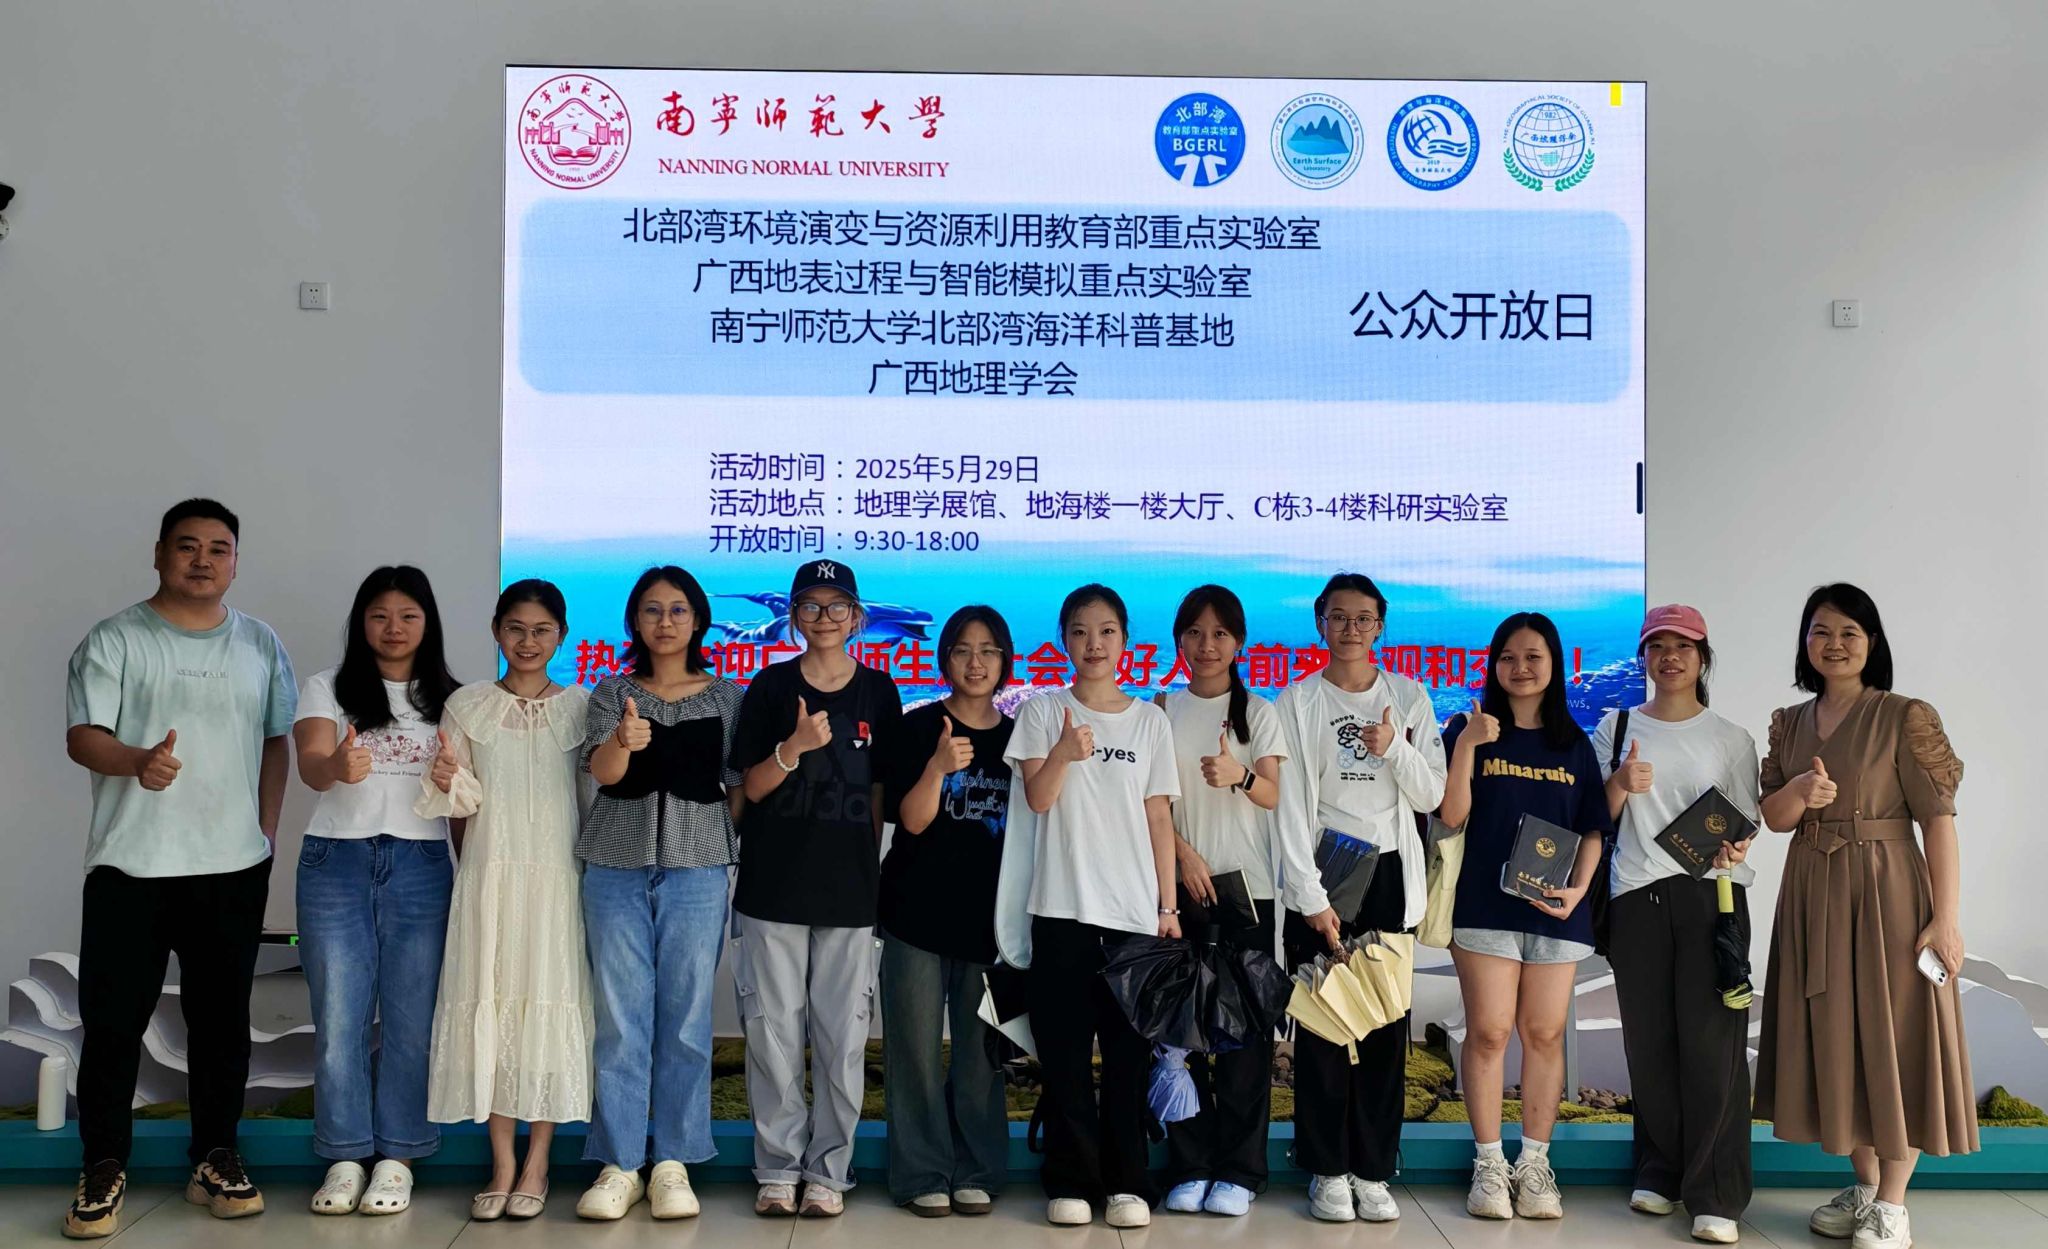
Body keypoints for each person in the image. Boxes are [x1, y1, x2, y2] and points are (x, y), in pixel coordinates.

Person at [60, 498, 296, 1239]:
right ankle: (102, 1166)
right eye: (187, 545)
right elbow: (83, 737)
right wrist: (137, 760)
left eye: (218, 548)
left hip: (231, 866)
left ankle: (214, 1158)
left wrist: (264, 832)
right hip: (130, 863)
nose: (202, 559)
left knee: (221, 1025)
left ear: (236, 562)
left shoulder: (260, 643)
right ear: (159, 553)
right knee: (113, 1023)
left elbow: (276, 741)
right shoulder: (115, 639)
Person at [1754, 584, 1972, 1249]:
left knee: (1895, 1034)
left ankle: (1893, 1204)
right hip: (1812, 889)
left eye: (1850, 632)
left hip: (1888, 890)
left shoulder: (1904, 716)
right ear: (1805, 643)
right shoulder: (1790, 722)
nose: (1835, 644)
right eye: (1821, 631)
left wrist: (1945, 917)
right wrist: (1800, 791)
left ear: (1872, 642)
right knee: (1835, 1036)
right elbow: (1774, 818)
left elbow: (1938, 821)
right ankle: (1867, 1185)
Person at [996, 583, 1180, 1230]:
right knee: (1067, 1060)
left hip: (1132, 918)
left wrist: (1168, 907)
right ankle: (1072, 1180)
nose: (1093, 644)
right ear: (1064, 640)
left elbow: (1159, 817)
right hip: (1061, 912)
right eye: (1079, 631)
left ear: (1125, 640)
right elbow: (1038, 799)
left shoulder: (1150, 722)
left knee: (1128, 1060)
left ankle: (1128, 1182)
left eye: (1105, 632)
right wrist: (1065, 753)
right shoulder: (1043, 710)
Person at [727, 560, 903, 1218]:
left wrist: (866, 866)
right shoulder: (770, 686)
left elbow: (880, 791)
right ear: (793, 615)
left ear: (856, 617)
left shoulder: (879, 691)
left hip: (850, 894)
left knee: (842, 1039)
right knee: (772, 1035)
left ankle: (829, 1170)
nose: (823, 618)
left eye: (837, 606)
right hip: (771, 887)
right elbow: (749, 788)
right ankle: (777, 1167)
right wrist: (794, 747)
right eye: (810, 605)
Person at [416, 579, 592, 1222]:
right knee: (492, 1004)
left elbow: (595, 799)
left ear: (561, 636)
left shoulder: (584, 707)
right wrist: (446, 779)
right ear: (496, 630)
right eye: (516, 628)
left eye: (542, 630)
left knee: (547, 1003)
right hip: (489, 879)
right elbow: (458, 804)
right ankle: (501, 1163)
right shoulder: (466, 705)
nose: (528, 641)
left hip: (560, 880)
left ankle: (538, 1162)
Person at [1273, 573, 1445, 1224]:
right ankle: (1326, 1168)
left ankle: (1373, 1168)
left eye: (1364, 617)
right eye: (1339, 616)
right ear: (1320, 622)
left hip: (1389, 874)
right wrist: (1309, 895)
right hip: (1325, 873)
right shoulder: (1297, 701)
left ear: (1381, 625)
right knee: (1321, 1026)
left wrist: (1394, 747)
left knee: (1383, 1027)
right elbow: (1290, 807)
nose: (1351, 628)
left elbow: (1431, 794)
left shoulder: (1408, 695)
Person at [573, 566, 743, 1221]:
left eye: (677, 610)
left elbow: (736, 787)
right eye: (651, 610)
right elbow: (600, 771)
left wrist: (718, 844)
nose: (665, 621)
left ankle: (673, 1160)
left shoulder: (728, 696)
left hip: (698, 872)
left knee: (686, 1017)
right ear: (634, 621)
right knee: (621, 1018)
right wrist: (622, 740)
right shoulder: (611, 691)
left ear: (697, 619)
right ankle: (620, 1162)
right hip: (614, 865)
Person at [295, 566, 461, 1217]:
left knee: (411, 1020)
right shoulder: (327, 686)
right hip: (336, 860)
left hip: (422, 862)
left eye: (408, 615)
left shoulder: (453, 699)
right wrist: (336, 765)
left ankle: (399, 1155)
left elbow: (466, 799)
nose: (393, 628)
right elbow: (311, 764)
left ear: (428, 623)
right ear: (361, 622)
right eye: (380, 615)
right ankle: (343, 1155)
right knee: (339, 1017)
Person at [1591, 605, 1759, 1245]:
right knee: (1650, 1044)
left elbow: (1745, 821)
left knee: (1714, 1048)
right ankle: (1659, 1172)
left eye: (1683, 646)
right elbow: (1591, 818)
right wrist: (1618, 783)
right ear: (1643, 657)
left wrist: (1736, 847)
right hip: (1636, 897)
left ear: (1703, 656)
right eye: (1657, 646)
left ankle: (1716, 1193)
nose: (1669, 657)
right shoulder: (1616, 727)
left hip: (1711, 899)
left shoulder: (1730, 738)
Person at [1439, 612, 1611, 1223]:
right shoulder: (1469, 729)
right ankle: (1489, 1164)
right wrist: (1467, 745)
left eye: (1534, 656)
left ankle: (1534, 1165)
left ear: (1554, 665)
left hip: (1556, 912)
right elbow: (1451, 816)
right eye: (1508, 657)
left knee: (1543, 1033)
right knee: (1489, 1032)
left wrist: (1580, 889)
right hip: (1484, 908)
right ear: (1493, 665)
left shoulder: (1574, 744)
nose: (1520, 668)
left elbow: (1593, 827)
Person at [879, 605, 1017, 1218]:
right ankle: (921, 1174)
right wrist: (937, 766)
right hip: (914, 915)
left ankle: (978, 1169)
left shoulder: (1019, 740)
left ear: (1005, 660)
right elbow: (910, 822)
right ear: (945, 658)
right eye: (962, 649)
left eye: (988, 650)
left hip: (988, 923)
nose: (975, 662)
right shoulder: (917, 728)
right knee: (912, 1051)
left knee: (979, 1055)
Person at [1156, 585, 1289, 1218]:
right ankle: (1189, 1164)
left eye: (1219, 634)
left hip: (1246, 892)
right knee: (1178, 1035)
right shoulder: (1161, 709)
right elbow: (1151, 802)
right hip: (1179, 887)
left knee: (1242, 1037)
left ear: (1239, 642)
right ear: (1178, 640)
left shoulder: (1258, 711)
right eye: (1194, 632)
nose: (1206, 645)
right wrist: (1182, 854)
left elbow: (1273, 795)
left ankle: (1239, 1170)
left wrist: (1240, 775)